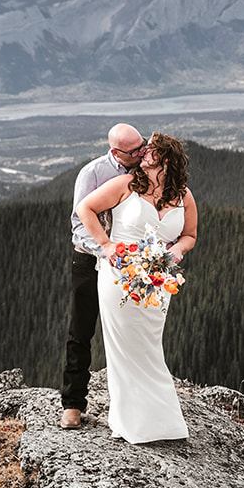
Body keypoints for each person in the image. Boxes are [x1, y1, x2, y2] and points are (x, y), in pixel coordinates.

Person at [75, 132, 198, 444]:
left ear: (166, 159)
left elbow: (190, 235)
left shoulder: (183, 194)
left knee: (149, 347)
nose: (144, 153)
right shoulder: (126, 185)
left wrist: (178, 250)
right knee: (124, 349)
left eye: (151, 150)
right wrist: (105, 245)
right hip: (118, 277)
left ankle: (163, 422)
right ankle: (129, 423)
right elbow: (85, 209)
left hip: (157, 282)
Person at [62, 123, 147, 429]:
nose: (142, 152)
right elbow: (78, 223)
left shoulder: (145, 167)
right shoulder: (93, 173)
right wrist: (105, 249)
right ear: (115, 152)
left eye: (143, 145)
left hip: (129, 264)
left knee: (130, 331)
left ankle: (132, 405)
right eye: (134, 150)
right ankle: (72, 404)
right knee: (81, 330)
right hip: (90, 260)